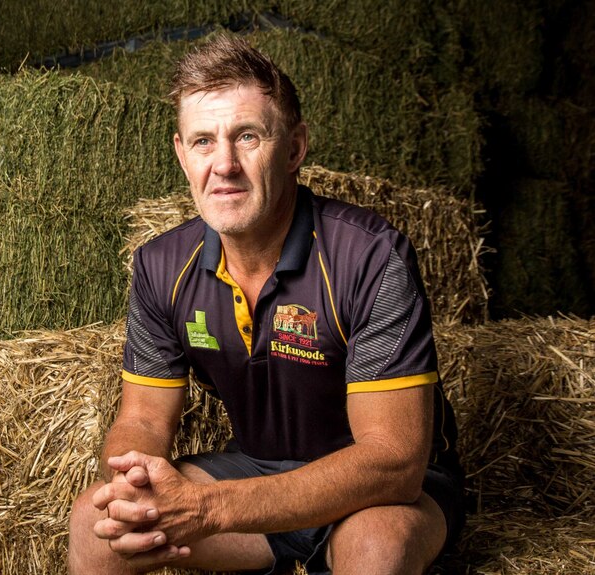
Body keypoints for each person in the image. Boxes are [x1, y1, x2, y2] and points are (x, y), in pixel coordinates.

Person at [68, 33, 465, 575]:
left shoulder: (369, 255)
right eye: (204, 141)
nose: (224, 164)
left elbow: (393, 463)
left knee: (375, 549)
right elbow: (141, 417)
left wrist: (208, 507)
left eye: (247, 137)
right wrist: (136, 479)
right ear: (182, 156)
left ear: (296, 147)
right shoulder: (161, 266)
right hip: (255, 470)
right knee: (95, 529)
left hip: (380, 496)